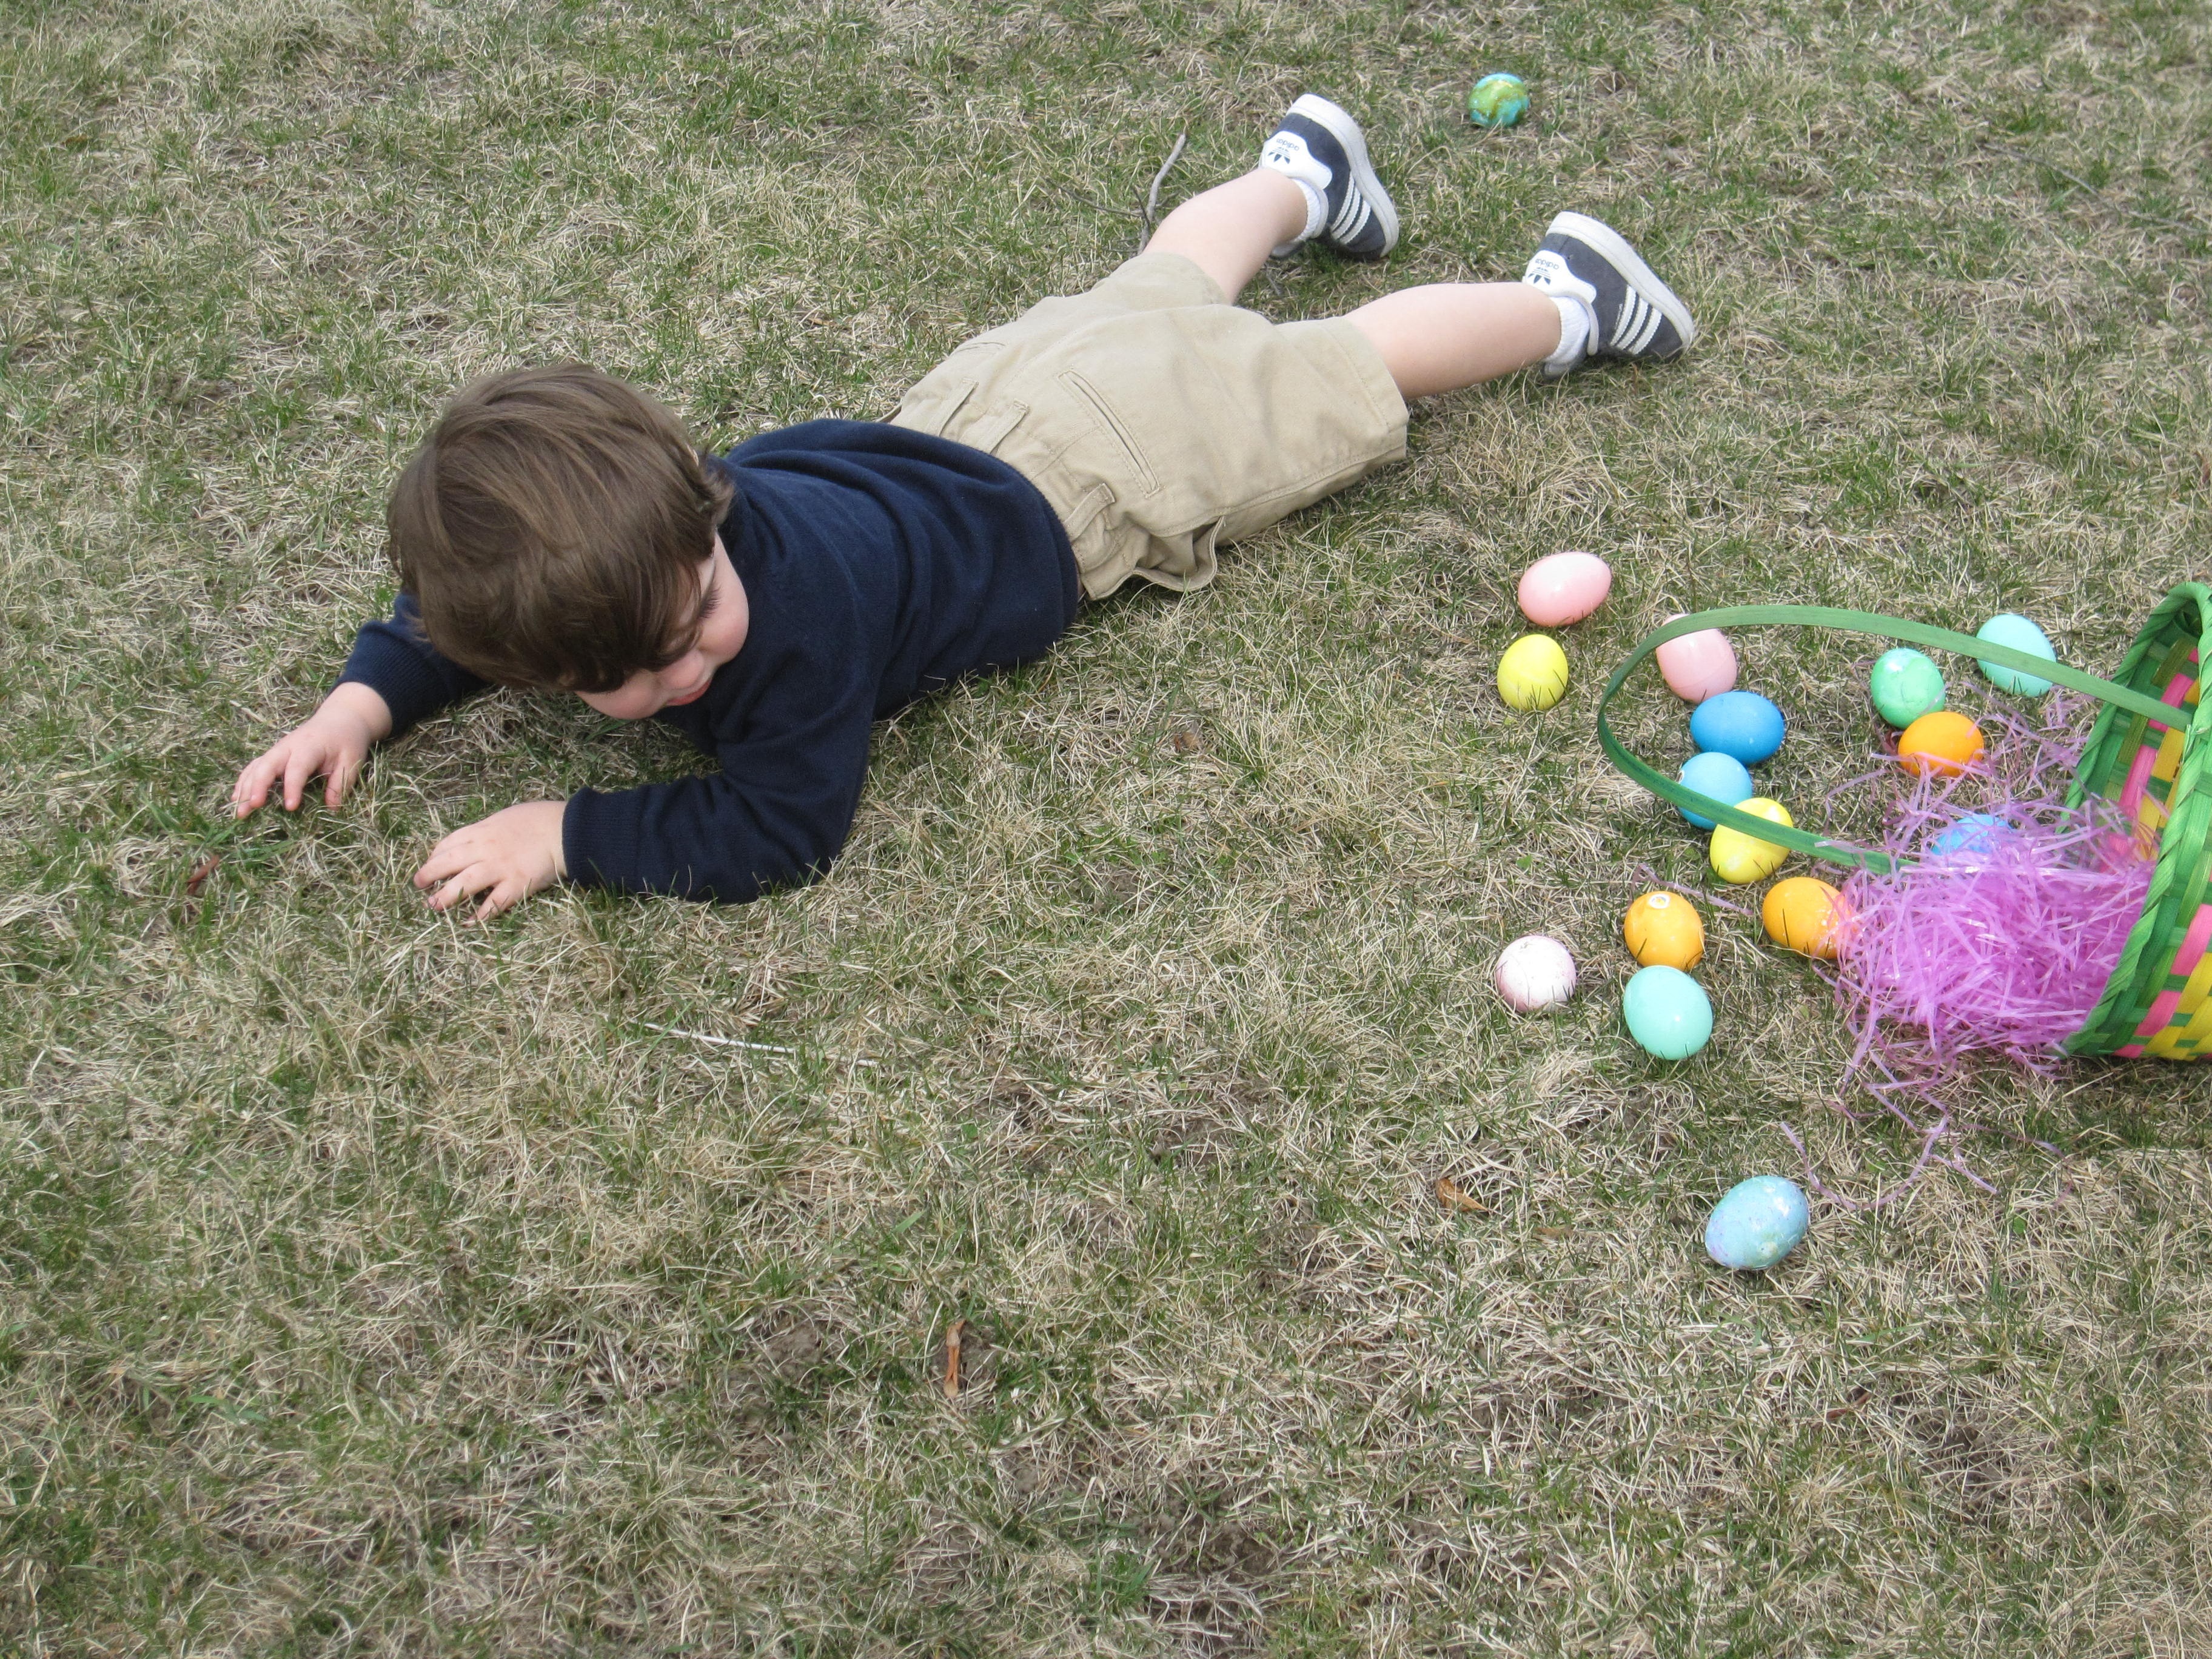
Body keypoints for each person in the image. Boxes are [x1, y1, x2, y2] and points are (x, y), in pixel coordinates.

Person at [230, 95, 1695, 919]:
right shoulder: (646, 542)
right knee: (1164, 289)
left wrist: (571, 829)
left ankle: (1571, 304)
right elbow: (451, 620)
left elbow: (781, 830)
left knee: (1339, 371)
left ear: (702, 510)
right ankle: (1302, 174)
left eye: (690, 622)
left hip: (1089, 484)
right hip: (978, 407)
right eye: (631, 678)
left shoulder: (786, 635)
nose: (691, 671)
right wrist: (366, 704)